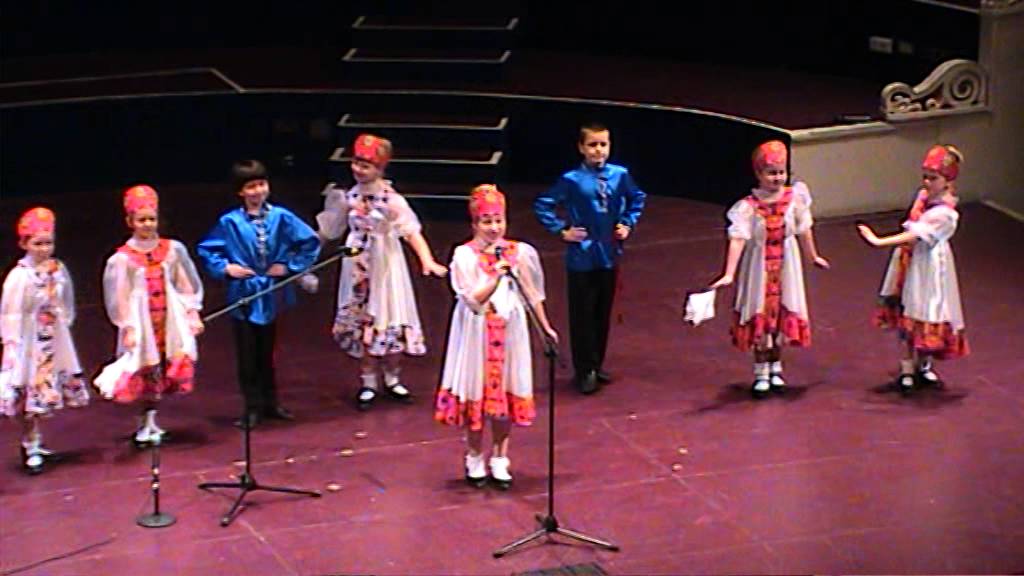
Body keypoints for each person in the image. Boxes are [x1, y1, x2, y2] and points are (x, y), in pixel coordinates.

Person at [434, 185, 558, 489]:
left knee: (505, 391)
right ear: (475, 223)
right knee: (477, 389)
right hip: (477, 332)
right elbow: (472, 299)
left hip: (510, 330)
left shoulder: (520, 252)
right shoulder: (463, 255)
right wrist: (497, 274)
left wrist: (545, 326)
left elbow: (531, 293)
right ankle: (474, 455)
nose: (494, 228)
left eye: (498, 220)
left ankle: (501, 457)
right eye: (487, 221)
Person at [316, 134, 448, 410]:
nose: (359, 169)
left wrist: (427, 260)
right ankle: (368, 381)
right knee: (363, 319)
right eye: (356, 162)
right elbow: (328, 231)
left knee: (389, 316)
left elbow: (411, 232)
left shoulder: (391, 200)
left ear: (381, 168)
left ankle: (392, 378)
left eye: (366, 165)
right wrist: (303, 251)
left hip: (385, 266)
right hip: (357, 267)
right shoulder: (347, 197)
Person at [197, 160, 321, 428]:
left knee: (267, 351)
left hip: (271, 291)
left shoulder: (281, 217)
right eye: (250, 186)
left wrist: (289, 266)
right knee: (247, 352)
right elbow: (208, 249)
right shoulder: (229, 222)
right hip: (244, 292)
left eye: (261, 184)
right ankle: (251, 406)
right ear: (240, 191)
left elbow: (309, 241)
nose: (257, 191)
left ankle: (271, 402)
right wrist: (227, 268)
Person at [710, 140, 830, 397]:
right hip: (760, 264)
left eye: (781, 172)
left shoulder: (795, 199)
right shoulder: (748, 207)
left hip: (787, 261)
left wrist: (813, 256)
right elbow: (738, 239)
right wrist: (729, 272)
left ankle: (776, 366)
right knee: (762, 313)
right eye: (771, 173)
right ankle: (761, 370)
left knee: (782, 313)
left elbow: (804, 228)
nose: (777, 178)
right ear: (759, 174)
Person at [533, 122, 646, 394]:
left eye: (603, 144)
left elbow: (637, 198)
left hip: (609, 252)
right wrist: (562, 230)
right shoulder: (571, 179)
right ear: (581, 148)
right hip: (582, 254)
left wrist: (627, 223)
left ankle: (597, 362)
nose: (598, 150)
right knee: (582, 312)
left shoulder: (620, 175)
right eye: (592, 145)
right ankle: (584, 368)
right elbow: (544, 204)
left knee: (602, 311)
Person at [95, 185, 204, 447]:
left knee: (164, 367)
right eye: (141, 220)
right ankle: (144, 423)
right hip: (144, 322)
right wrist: (128, 326)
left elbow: (186, 282)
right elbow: (118, 295)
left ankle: (153, 420)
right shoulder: (122, 259)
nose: (147, 224)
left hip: (168, 320)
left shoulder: (172, 249)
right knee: (144, 367)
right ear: (130, 222)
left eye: (151, 219)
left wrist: (192, 312)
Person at [857, 145, 969, 391]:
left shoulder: (945, 214)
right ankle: (907, 366)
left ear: (947, 180)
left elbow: (916, 235)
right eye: (925, 176)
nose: (927, 182)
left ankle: (924, 364)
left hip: (929, 266)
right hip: (911, 262)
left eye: (933, 177)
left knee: (927, 308)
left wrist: (879, 241)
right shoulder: (923, 198)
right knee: (908, 308)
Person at [1, 207, 89, 474]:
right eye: (37, 243)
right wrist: (12, 342)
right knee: (29, 389)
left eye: (48, 243)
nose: (43, 249)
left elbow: (66, 299)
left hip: (52, 335)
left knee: (45, 389)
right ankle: (30, 442)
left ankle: (37, 441)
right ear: (24, 244)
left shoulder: (57, 269)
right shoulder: (20, 276)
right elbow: (11, 311)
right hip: (29, 340)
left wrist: (63, 323)